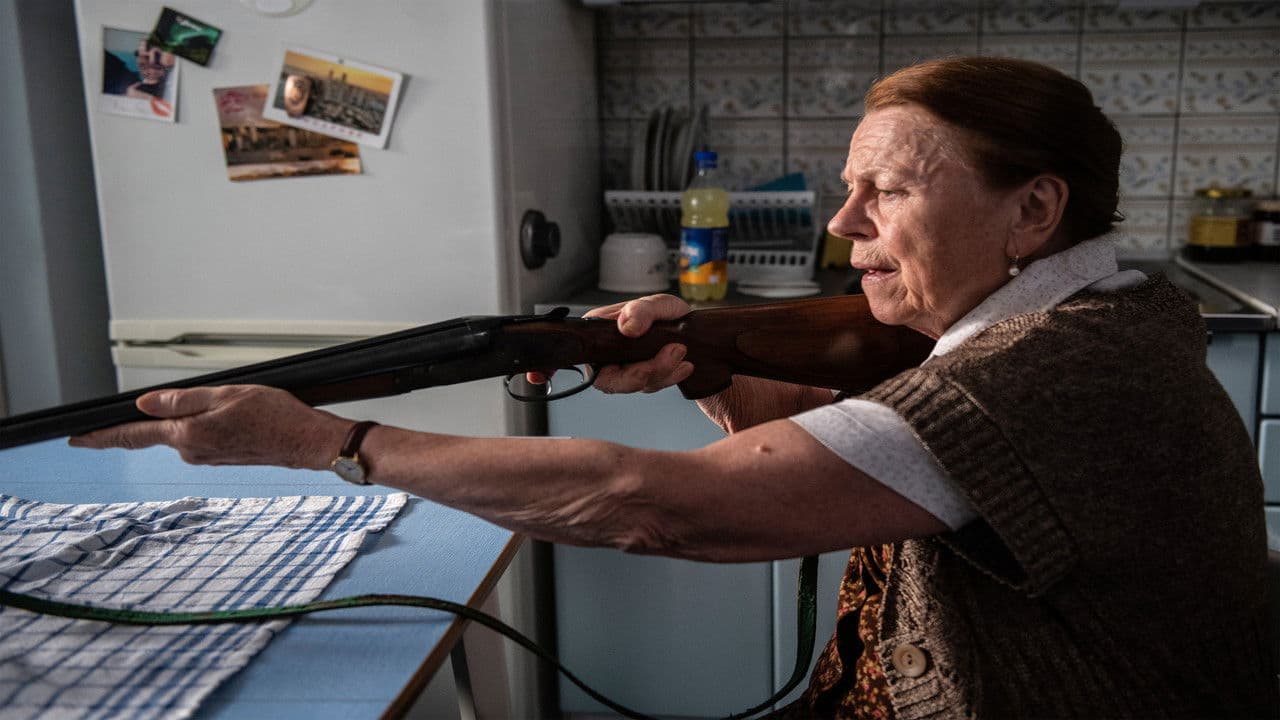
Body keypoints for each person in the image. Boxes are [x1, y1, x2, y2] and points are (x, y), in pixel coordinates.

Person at [70, 57, 1276, 717]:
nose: (843, 224)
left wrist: (326, 442)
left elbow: (667, 508)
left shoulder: (1051, 367)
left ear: (1033, 208)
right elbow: (859, 456)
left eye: (889, 192)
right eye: (848, 189)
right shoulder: (1089, 313)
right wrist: (709, 365)